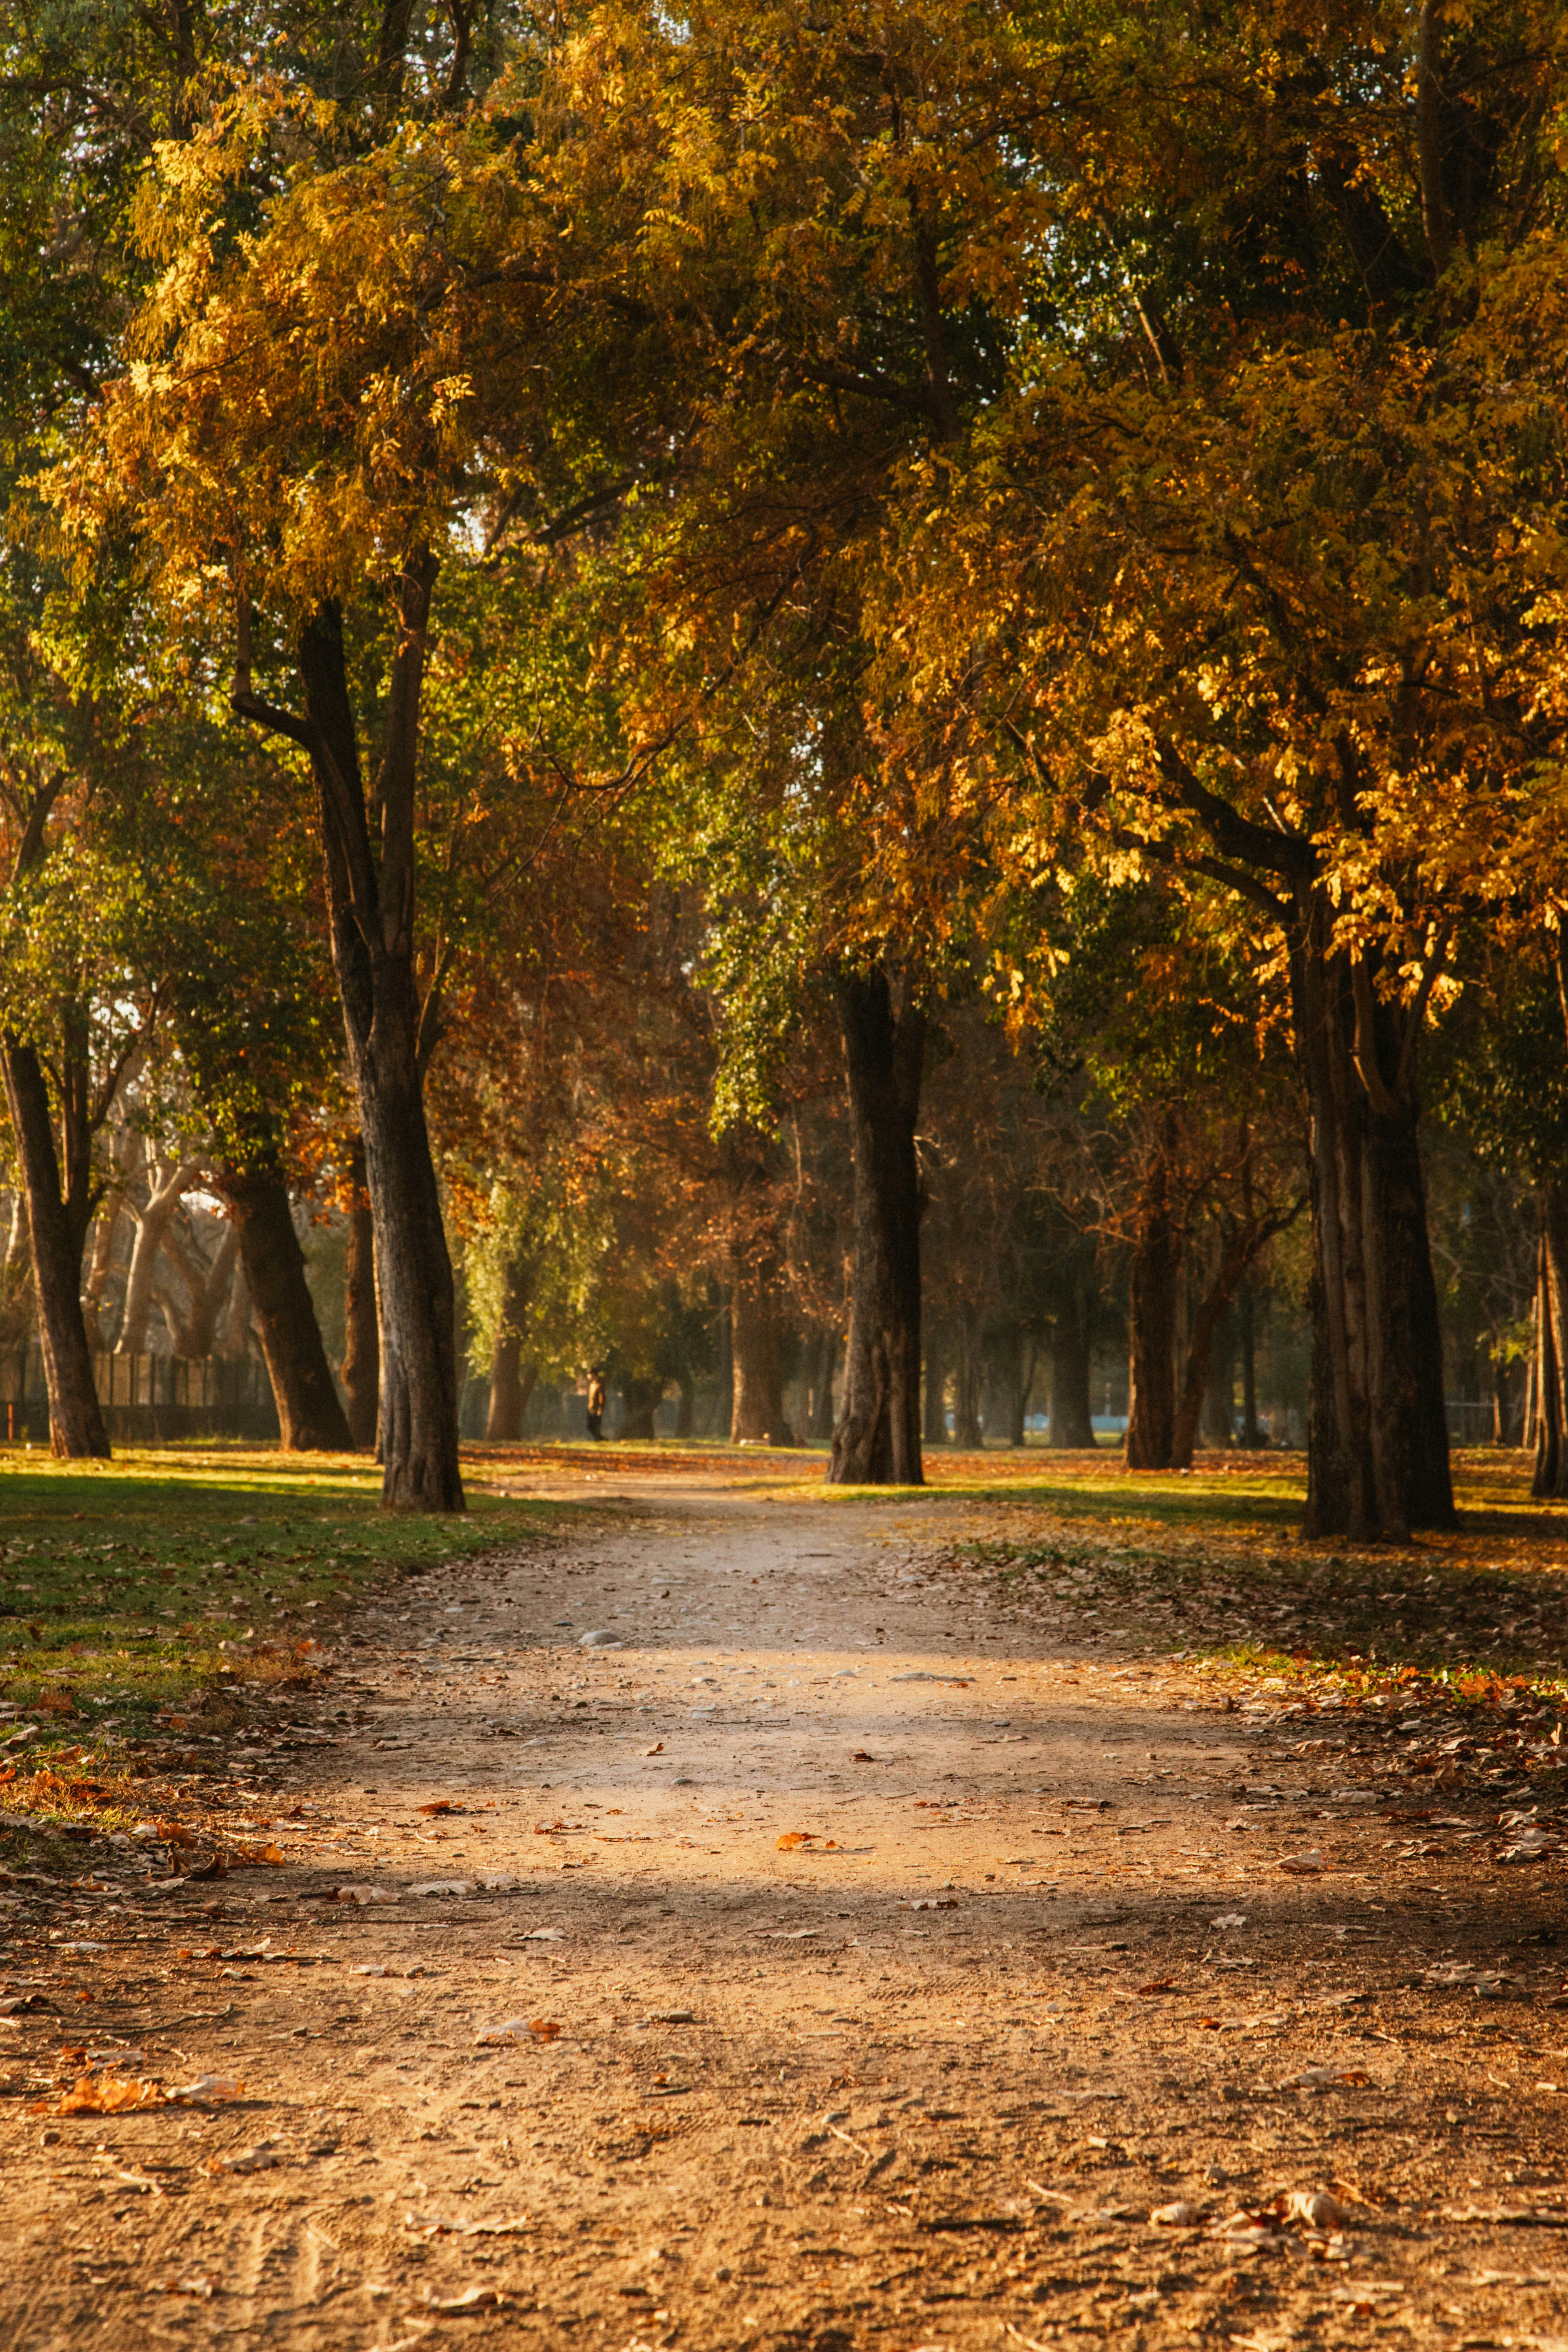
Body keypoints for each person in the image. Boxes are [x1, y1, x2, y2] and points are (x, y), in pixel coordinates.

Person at [585, 1371, 606, 1441]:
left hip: (596, 1409)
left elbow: (602, 1399)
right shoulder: (592, 1385)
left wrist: (600, 1409)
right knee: (590, 1426)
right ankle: (601, 1439)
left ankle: (599, 1440)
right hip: (591, 1409)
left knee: (596, 1427)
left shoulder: (599, 1385)